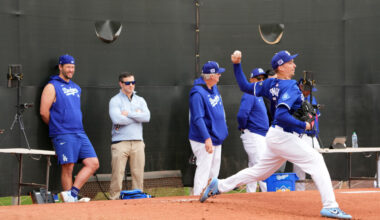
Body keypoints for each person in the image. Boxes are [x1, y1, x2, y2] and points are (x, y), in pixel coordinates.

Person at [199, 50, 352, 219]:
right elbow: (281, 115)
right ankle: (331, 206)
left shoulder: (269, 84)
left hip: (276, 136)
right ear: (281, 66)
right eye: (290, 62)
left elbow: (244, 86)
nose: (294, 64)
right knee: (316, 160)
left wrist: (237, 64)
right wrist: (304, 124)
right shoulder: (291, 86)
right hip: (283, 136)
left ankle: (218, 185)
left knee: (259, 172)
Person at [40, 54, 99, 203]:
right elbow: (43, 112)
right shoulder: (51, 86)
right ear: (60, 67)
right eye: (68, 67)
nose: (71, 70)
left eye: (72, 67)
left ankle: (72, 194)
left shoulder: (76, 87)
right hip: (63, 133)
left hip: (79, 132)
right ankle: (69, 203)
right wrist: (57, 127)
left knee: (93, 163)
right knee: (68, 167)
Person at [108, 72, 150, 200]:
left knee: (138, 174)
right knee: (117, 174)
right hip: (120, 142)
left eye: (133, 82)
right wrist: (137, 116)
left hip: (138, 142)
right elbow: (117, 119)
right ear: (121, 84)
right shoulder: (115, 100)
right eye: (128, 83)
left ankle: (138, 199)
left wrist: (128, 114)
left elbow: (147, 117)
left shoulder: (140, 100)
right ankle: (114, 198)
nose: (131, 85)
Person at [189, 61, 228, 195]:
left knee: (214, 170)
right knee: (204, 168)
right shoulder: (197, 93)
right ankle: (198, 195)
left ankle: (210, 193)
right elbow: (198, 118)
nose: (220, 76)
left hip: (216, 137)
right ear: (211, 76)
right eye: (218, 73)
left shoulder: (213, 87)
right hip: (203, 138)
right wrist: (207, 138)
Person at [236, 68, 268, 193]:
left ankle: (250, 194)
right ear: (251, 80)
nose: (261, 80)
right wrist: (243, 127)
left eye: (263, 78)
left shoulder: (258, 94)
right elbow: (242, 114)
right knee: (261, 166)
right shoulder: (250, 93)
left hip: (259, 135)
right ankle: (267, 194)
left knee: (254, 166)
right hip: (254, 135)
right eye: (258, 78)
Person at [293, 78, 321, 191]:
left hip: (312, 136)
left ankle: (320, 189)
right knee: (299, 165)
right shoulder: (296, 97)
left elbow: (316, 116)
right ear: (301, 87)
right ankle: (300, 191)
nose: (309, 91)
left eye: (310, 89)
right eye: (307, 89)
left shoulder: (311, 98)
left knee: (319, 160)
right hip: (300, 135)